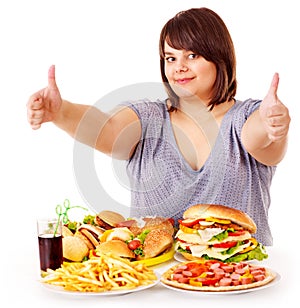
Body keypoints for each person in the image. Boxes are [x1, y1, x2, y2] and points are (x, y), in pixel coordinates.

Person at [27, 7, 290, 246]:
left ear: (219, 57)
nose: (179, 68)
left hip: (241, 286)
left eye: (192, 55)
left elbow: (261, 137)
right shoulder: (148, 117)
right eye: (170, 58)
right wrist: (62, 112)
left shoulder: (245, 117)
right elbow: (107, 129)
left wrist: (272, 125)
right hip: (153, 288)